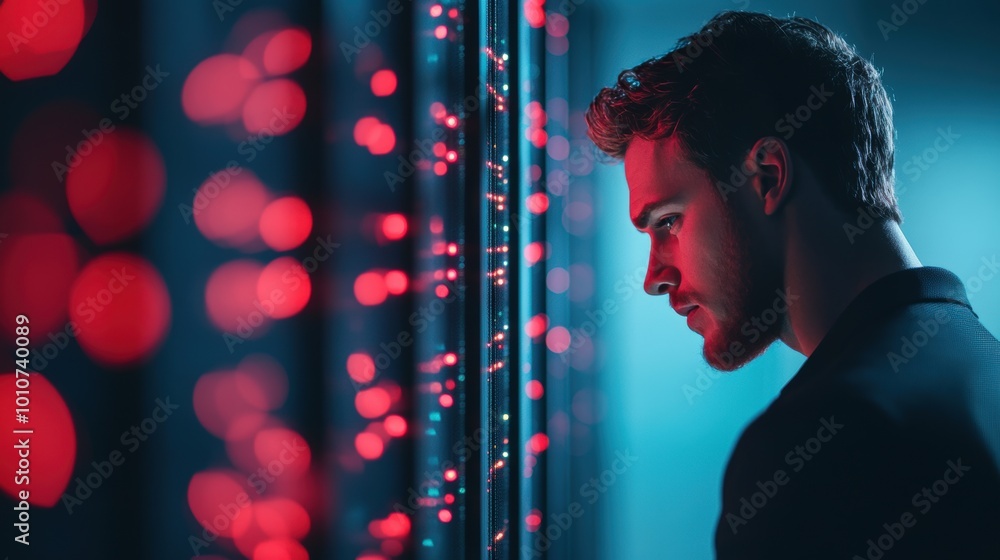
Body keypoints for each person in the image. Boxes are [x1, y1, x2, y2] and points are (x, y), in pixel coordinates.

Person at [586, 10, 1000, 558]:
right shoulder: (982, 372)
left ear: (768, 177)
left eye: (667, 222)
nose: (653, 278)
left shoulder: (820, 445)